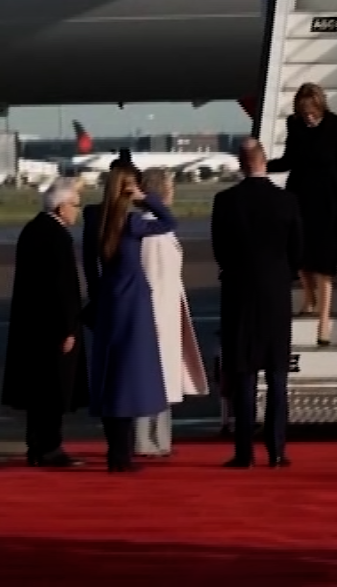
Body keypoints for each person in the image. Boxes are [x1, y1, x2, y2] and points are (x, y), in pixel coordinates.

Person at [211, 139, 301, 469]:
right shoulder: (287, 201)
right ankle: (277, 450)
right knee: (278, 376)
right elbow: (297, 252)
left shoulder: (225, 201)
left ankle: (244, 452)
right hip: (276, 296)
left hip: (239, 295)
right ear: (264, 161)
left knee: (244, 373)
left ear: (241, 163)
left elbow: (219, 251)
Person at [81, 162, 176, 473]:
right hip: (133, 303)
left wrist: (96, 300)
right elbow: (168, 221)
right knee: (131, 377)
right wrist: (147, 198)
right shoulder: (132, 222)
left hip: (109, 301)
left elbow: (88, 265)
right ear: (127, 187)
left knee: (110, 376)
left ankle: (116, 452)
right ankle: (122, 456)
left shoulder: (94, 217)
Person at [0, 179, 89, 468]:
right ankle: (50, 447)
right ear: (62, 207)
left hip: (32, 326)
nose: (77, 212)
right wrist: (69, 327)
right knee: (53, 390)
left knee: (38, 392)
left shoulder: (32, 230)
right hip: (53, 327)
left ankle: (37, 446)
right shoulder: (56, 236)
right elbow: (63, 286)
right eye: (75, 205)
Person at [266, 82, 337, 345]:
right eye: (304, 113)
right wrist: (262, 165)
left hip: (327, 200)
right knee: (300, 254)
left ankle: (324, 321)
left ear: (321, 107)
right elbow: (289, 159)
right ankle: (308, 298)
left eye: (312, 112)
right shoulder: (295, 124)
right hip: (300, 197)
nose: (309, 117)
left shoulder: (336, 125)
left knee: (324, 263)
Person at [134, 169, 208, 458]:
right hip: (156, 315)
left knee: (163, 378)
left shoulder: (157, 229)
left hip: (166, 312)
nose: (173, 192)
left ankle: (160, 439)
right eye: (171, 187)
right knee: (153, 377)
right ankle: (146, 439)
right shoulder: (150, 231)